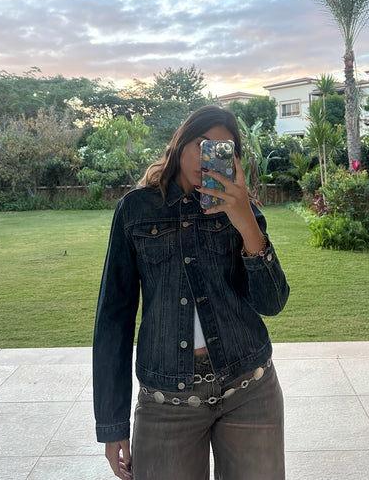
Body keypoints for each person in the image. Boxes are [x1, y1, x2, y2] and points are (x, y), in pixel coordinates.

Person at [93, 105, 290, 480]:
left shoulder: (238, 208)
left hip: (250, 390)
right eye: (201, 144)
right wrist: (112, 424)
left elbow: (272, 302)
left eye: (221, 150)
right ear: (180, 142)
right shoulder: (135, 210)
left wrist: (246, 222)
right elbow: (113, 319)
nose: (206, 157)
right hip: (166, 402)